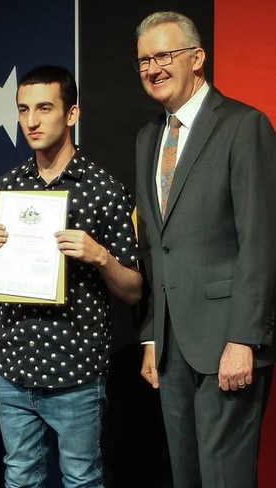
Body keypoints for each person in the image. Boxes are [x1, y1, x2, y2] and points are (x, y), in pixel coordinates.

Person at [0, 65, 142, 488]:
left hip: (77, 369)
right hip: (12, 363)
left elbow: (133, 290)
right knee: (19, 476)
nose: (31, 121)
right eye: (23, 110)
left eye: (44, 108)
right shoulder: (4, 188)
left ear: (71, 115)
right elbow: (1, 280)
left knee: (82, 478)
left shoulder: (105, 190)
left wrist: (101, 256)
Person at [134, 11, 276, 488]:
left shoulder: (244, 125)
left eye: (164, 56)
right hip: (172, 348)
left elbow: (262, 240)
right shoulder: (148, 138)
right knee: (186, 477)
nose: (153, 68)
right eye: (144, 60)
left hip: (227, 343)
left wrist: (244, 339)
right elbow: (157, 246)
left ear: (197, 58)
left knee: (226, 478)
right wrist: (154, 334)